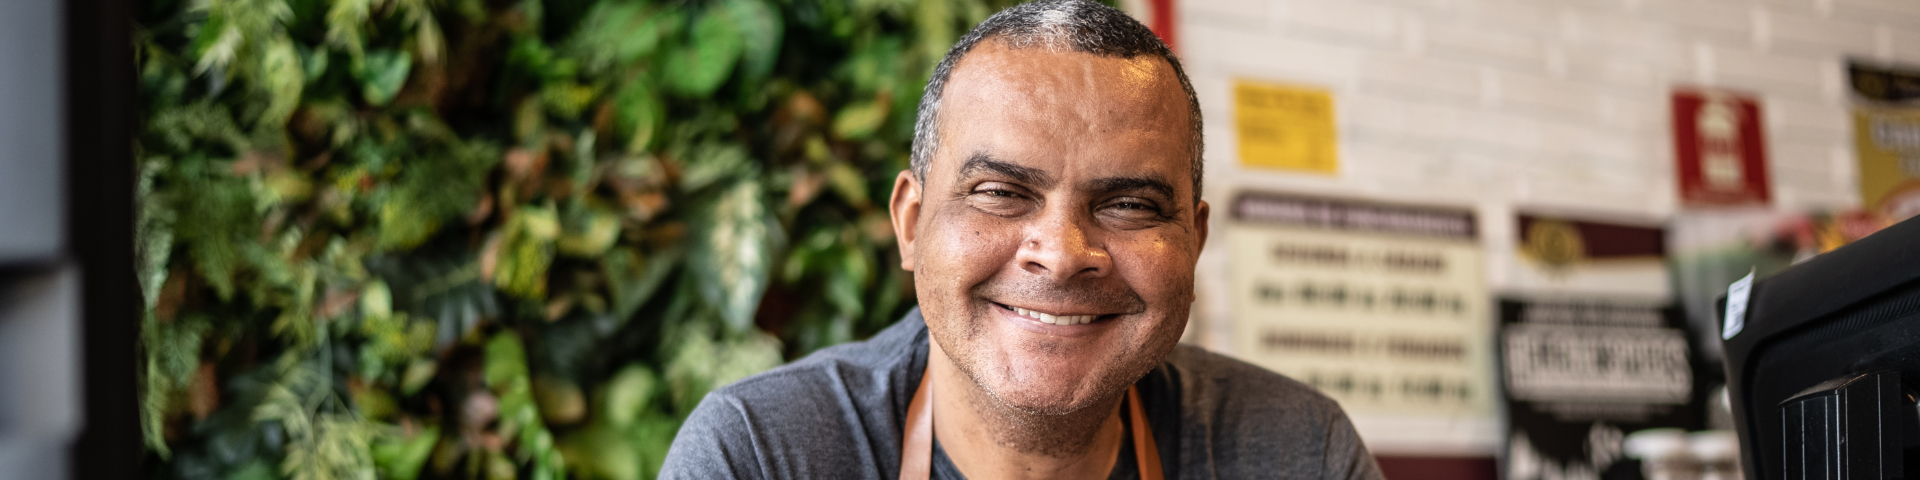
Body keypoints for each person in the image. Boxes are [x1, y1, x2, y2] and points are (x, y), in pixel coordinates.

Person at [661, 1, 1384, 478]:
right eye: (1002, 193)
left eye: (1130, 204)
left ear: (1192, 240)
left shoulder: (1297, 453)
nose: (1063, 252)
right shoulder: (764, 453)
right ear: (911, 223)